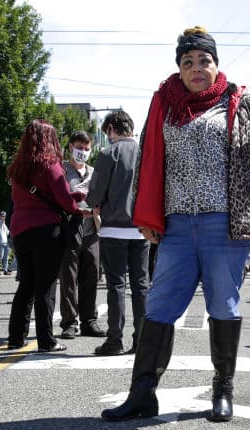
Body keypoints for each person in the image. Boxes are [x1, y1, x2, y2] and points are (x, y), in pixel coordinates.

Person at [102, 27, 250, 423]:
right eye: (187, 62)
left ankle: (222, 391)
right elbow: (148, 162)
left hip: (223, 225)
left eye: (203, 61)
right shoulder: (165, 105)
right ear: (179, 68)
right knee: (158, 307)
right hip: (175, 226)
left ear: (216, 64)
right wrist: (147, 216)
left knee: (223, 306)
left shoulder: (241, 103)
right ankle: (143, 393)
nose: (196, 68)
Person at [6, 119, 91, 353]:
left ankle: (16, 337)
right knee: (45, 286)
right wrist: (79, 206)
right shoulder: (51, 164)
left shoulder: (18, 168)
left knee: (26, 285)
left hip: (21, 230)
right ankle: (46, 340)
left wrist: (70, 197)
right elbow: (62, 198)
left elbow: (31, 197)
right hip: (46, 230)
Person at [86, 111, 145, 353]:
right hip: (142, 229)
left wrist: (93, 201)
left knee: (116, 286)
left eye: (106, 132)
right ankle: (141, 340)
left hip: (113, 228)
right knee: (142, 286)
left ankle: (115, 339)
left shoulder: (108, 153)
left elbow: (96, 193)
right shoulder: (145, 153)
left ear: (111, 129)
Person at [56, 131, 104, 340]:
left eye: (86, 149)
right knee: (68, 279)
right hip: (69, 231)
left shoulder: (95, 172)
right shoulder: (61, 171)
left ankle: (89, 321)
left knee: (91, 277)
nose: (82, 152)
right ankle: (69, 323)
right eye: (79, 148)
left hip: (92, 231)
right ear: (70, 148)